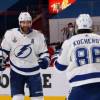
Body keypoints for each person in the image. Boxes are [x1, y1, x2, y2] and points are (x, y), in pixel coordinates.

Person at [0, 12, 50, 100]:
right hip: (16, 72)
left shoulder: (38, 35)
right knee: (17, 98)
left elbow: (44, 53)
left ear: (31, 22)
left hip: (34, 72)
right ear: (19, 23)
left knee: (38, 99)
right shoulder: (10, 34)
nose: (26, 24)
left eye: (28, 22)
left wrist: (45, 60)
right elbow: (3, 51)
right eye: (23, 22)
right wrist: (1, 59)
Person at [55, 14, 100, 100]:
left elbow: (60, 67)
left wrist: (57, 56)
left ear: (77, 26)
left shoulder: (69, 42)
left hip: (79, 87)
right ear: (91, 26)